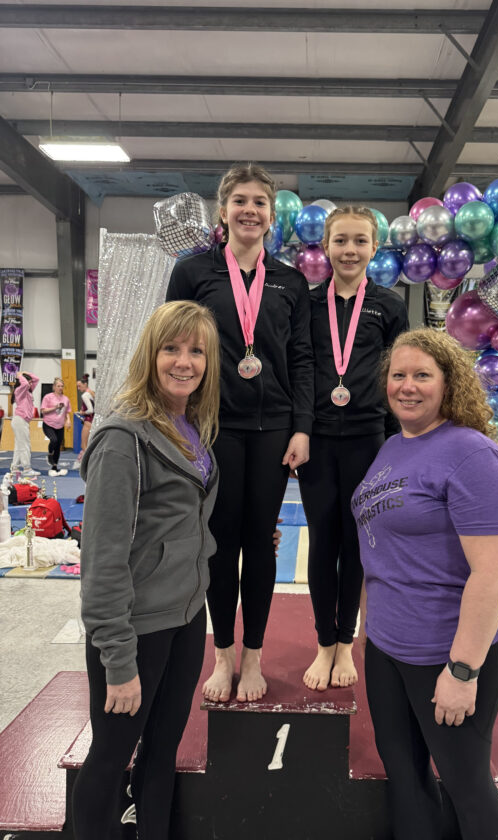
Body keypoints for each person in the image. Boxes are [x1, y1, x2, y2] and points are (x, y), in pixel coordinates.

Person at [353, 328, 498, 840]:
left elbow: (492, 572)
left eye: (422, 375)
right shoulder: (393, 447)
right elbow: (378, 547)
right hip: (388, 648)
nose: (407, 386)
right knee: (405, 779)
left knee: (467, 785)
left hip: (446, 651)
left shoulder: (472, 455)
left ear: (449, 383)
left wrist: (462, 671)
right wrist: (367, 628)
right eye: (398, 375)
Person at [72, 301, 221, 840]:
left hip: (187, 617)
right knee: (110, 758)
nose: (184, 361)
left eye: (196, 351)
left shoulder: (192, 426)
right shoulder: (123, 438)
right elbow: (102, 560)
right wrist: (117, 656)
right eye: (171, 348)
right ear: (149, 355)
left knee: (162, 753)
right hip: (136, 630)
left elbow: (179, 519)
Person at [166, 163, 314, 703]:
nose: (250, 210)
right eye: (240, 201)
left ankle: (254, 655)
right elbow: (172, 350)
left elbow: (302, 359)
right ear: (223, 210)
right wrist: (176, 422)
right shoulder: (193, 272)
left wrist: (302, 428)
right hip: (212, 426)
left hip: (273, 428)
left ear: (272, 216)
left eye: (260, 202)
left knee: (260, 541)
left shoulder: (290, 281)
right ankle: (223, 654)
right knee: (220, 542)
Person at [298, 206, 408, 692]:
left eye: (360, 241)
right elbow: (300, 369)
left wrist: (398, 441)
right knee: (323, 541)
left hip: (370, 440)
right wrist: (300, 429)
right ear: (325, 245)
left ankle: (347, 641)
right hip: (319, 439)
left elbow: (400, 375)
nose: (349, 250)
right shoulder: (307, 304)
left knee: (359, 544)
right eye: (340, 240)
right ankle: (325, 642)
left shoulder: (389, 305)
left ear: (374, 247)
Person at [10, 370, 40, 477]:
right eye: (29, 382)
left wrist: (25, 372)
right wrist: (20, 375)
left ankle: (14, 467)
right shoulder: (19, 390)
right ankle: (27, 468)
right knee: (25, 445)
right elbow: (26, 384)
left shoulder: (28, 391)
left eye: (31, 383)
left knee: (19, 445)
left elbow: (36, 379)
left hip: (22, 421)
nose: (31, 384)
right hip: (20, 420)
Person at [40, 377, 72, 476]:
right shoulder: (48, 397)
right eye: (58, 386)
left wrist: (68, 420)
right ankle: (50, 454)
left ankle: (54, 467)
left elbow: (67, 411)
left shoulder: (66, 399)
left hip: (60, 426)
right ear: (54, 387)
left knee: (58, 446)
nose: (60, 388)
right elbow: (43, 410)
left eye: (62, 386)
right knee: (53, 440)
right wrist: (55, 407)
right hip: (48, 424)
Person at [74, 374, 95, 466]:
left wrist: (82, 412)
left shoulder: (85, 395)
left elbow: (91, 410)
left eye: (79, 386)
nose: (78, 388)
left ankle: (86, 465)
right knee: (89, 445)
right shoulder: (92, 393)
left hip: (88, 422)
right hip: (93, 421)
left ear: (85, 384)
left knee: (84, 446)